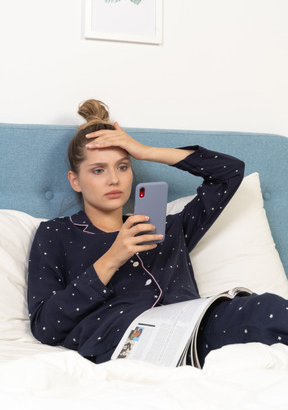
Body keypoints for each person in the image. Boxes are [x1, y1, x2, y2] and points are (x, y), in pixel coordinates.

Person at [27, 99, 288, 366]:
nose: (114, 179)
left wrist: (145, 151)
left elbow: (228, 174)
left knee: (267, 308)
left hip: (193, 330)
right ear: (75, 180)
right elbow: (46, 326)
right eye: (98, 170)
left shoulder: (168, 227)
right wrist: (112, 258)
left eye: (122, 166)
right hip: (122, 342)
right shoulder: (56, 234)